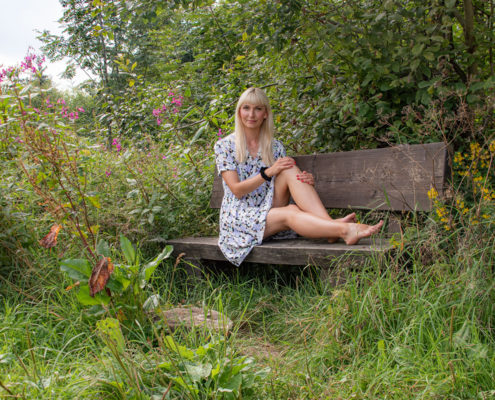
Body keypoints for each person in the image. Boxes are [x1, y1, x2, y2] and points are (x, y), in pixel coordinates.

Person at [214, 87, 383, 266]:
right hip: (239, 217)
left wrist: (303, 181)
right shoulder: (225, 146)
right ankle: (341, 229)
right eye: (246, 108)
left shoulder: (275, 147)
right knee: (290, 212)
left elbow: (286, 181)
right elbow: (237, 190)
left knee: (290, 169)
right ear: (239, 111)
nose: (251, 114)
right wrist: (269, 172)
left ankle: (332, 229)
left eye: (258, 108)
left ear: (265, 114)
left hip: (268, 206)